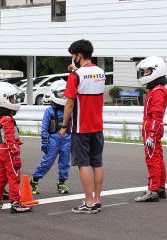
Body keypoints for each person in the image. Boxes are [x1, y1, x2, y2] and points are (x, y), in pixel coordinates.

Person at [60, 39, 105, 214]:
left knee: (83, 163)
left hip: (81, 127)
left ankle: (89, 201)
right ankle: (97, 200)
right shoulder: (100, 73)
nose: (73, 59)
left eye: (73, 56)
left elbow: (69, 104)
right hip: (98, 126)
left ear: (78, 55)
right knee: (97, 163)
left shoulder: (75, 76)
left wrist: (64, 125)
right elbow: (88, 79)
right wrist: (75, 72)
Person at [0, 82, 32, 214]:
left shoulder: (0, 118)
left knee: (1, 177)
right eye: (12, 99)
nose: (15, 101)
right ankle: (15, 202)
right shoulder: (7, 119)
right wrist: (15, 152)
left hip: (0, 149)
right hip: (8, 150)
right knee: (14, 176)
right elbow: (9, 138)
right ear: (2, 100)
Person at [134, 56, 167, 202]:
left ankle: (153, 190)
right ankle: (160, 187)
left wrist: (152, 134)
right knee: (158, 158)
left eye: (147, 71)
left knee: (152, 159)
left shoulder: (158, 92)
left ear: (156, 71)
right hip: (152, 129)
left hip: (152, 129)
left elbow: (157, 116)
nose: (144, 74)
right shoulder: (157, 89)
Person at [30, 80, 71, 195]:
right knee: (47, 161)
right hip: (53, 139)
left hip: (67, 139)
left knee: (65, 162)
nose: (63, 96)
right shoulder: (49, 111)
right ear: (54, 94)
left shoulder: (70, 110)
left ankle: (62, 183)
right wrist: (44, 141)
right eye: (61, 94)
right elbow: (44, 127)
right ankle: (34, 181)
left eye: (65, 93)